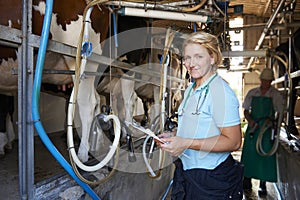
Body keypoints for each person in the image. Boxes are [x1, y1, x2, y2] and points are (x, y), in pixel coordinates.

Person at [157, 31, 243, 200]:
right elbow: (199, 126)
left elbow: (234, 142)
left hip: (212, 178)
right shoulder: (191, 89)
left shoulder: (220, 92)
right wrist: (174, 136)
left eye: (198, 57)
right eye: (187, 57)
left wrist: (186, 143)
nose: (191, 63)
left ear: (212, 58)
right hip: (189, 173)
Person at [240, 68, 284, 197]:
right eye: (264, 80)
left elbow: (280, 112)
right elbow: (246, 110)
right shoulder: (252, 93)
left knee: (264, 157)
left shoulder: (275, 94)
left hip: (266, 130)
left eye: (268, 81)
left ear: (271, 81)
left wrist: (274, 124)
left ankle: (262, 185)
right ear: (261, 80)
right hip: (254, 128)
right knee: (249, 154)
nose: (266, 83)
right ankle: (246, 180)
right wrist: (250, 121)